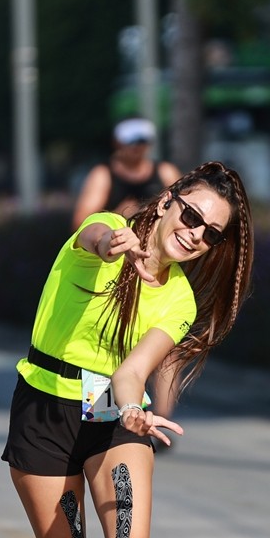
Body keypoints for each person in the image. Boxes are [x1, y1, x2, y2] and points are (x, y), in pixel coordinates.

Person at [4, 161, 255, 538]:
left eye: (213, 232)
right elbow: (92, 236)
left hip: (116, 418)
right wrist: (112, 240)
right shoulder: (104, 233)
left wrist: (137, 409)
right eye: (192, 215)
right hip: (44, 410)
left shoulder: (181, 296)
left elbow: (131, 371)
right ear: (168, 202)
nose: (196, 233)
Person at [72, 118, 185, 423]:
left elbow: (184, 217)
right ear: (118, 144)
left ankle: (160, 414)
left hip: (156, 272)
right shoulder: (103, 174)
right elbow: (82, 221)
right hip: (116, 273)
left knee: (169, 348)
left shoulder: (164, 173)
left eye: (144, 142)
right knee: (113, 342)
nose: (139, 149)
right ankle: (104, 419)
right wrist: (121, 217)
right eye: (132, 142)